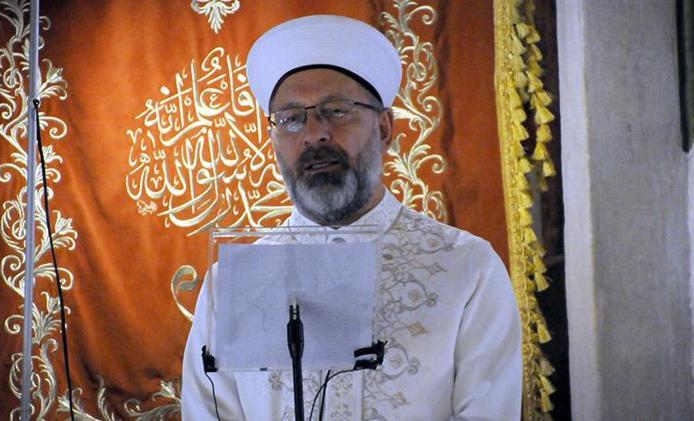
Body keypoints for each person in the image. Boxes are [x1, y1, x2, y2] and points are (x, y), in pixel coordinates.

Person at [182, 15, 522, 420]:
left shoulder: (467, 267)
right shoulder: (230, 284)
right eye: (291, 118)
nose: (314, 133)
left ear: (384, 128)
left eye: (337, 111)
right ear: (272, 139)